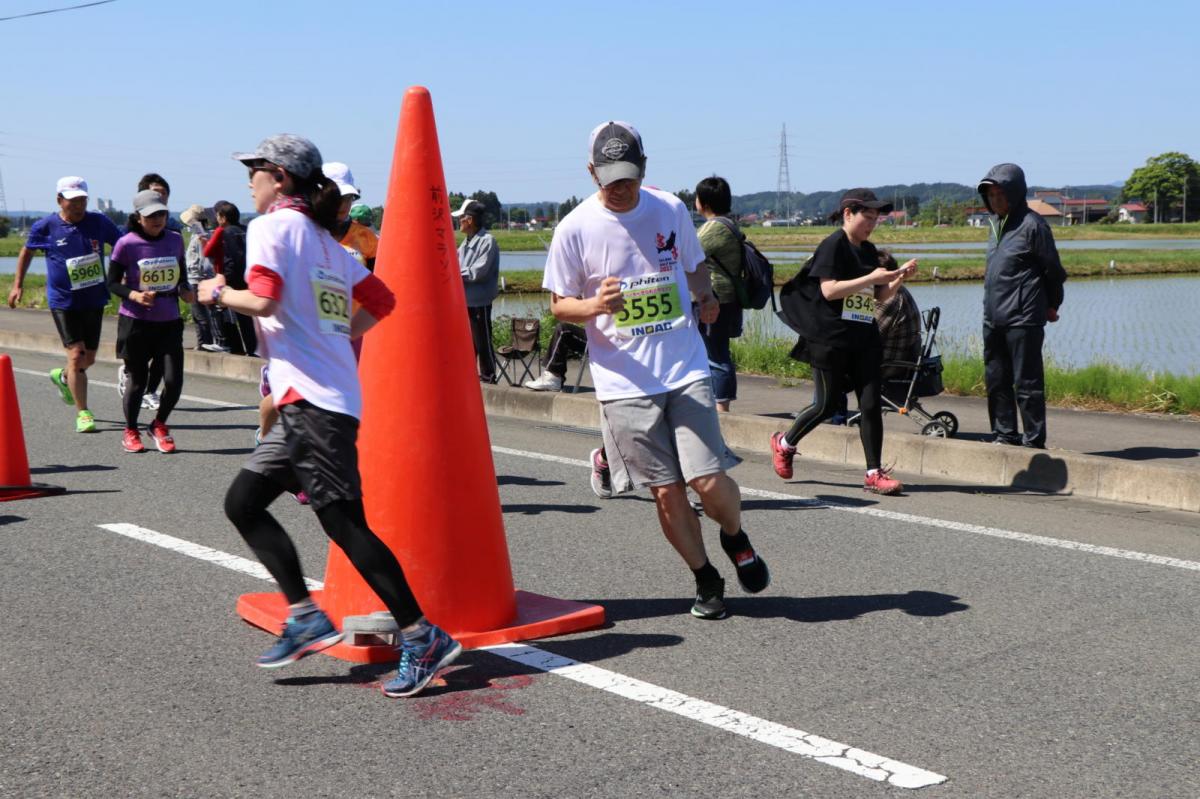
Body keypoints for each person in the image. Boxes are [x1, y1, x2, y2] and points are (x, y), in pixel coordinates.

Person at [199, 134, 460, 697]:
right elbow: (384, 300)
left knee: (344, 524)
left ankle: (422, 635)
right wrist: (338, 338)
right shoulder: (327, 243)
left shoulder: (273, 227)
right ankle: (305, 615)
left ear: (281, 177)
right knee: (243, 502)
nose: (248, 181)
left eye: (255, 170)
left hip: (315, 406)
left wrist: (217, 293)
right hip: (312, 401)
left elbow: (263, 300)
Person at [542, 120, 770, 621]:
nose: (620, 187)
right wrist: (594, 305)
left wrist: (706, 298)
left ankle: (736, 538)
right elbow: (559, 306)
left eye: (628, 176)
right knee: (666, 490)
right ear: (591, 172)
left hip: (683, 366)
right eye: (609, 178)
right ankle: (705, 577)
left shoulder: (669, 209)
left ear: (644, 169)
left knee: (707, 480)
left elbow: (693, 266)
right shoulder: (574, 228)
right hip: (624, 381)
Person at [771, 189, 917, 496]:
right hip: (830, 337)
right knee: (826, 405)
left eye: (876, 218)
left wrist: (898, 279)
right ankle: (784, 443)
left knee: (870, 404)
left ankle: (873, 473)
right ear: (848, 214)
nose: (872, 224)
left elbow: (877, 297)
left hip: (864, 336)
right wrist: (870, 277)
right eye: (868, 217)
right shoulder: (832, 246)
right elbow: (830, 291)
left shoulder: (868, 250)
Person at [7, 176, 120, 433]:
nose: (78, 206)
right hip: (63, 301)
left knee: (88, 358)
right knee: (76, 354)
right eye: (72, 201)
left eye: (82, 200)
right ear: (60, 200)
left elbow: (122, 245)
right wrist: (17, 285)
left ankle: (64, 376)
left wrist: (123, 272)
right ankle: (83, 412)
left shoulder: (99, 222)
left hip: (94, 298)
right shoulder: (45, 226)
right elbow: (27, 252)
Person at [977, 163, 1066, 449]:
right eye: (989, 195)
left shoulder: (1033, 225)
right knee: (996, 379)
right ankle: (1004, 435)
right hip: (993, 316)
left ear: (1014, 193)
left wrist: (1052, 305)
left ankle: (1033, 440)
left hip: (1024, 317)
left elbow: (1053, 271)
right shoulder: (995, 226)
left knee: (1027, 383)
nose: (994, 200)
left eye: (999, 194)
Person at [107, 190, 192, 453]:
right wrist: (133, 294)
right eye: (151, 215)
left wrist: (187, 291)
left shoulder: (176, 240)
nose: (158, 219)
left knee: (174, 381)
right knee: (138, 380)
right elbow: (111, 282)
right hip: (136, 322)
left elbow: (182, 278)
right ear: (138, 217)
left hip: (169, 320)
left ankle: (159, 424)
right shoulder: (127, 244)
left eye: (162, 214)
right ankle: (131, 429)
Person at [693, 176, 744, 412]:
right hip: (726, 297)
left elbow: (689, 254)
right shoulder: (729, 223)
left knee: (716, 353)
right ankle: (718, 402)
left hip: (715, 299)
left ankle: (721, 408)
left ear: (704, 202)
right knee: (715, 351)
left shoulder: (714, 228)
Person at [453, 199, 499, 384]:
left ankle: (488, 377)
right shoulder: (465, 242)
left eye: (461, 218)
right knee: (467, 344)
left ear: (469, 220)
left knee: (482, 341)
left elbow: (478, 272)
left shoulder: (487, 241)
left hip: (479, 301)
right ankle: (468, 378)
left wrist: (454, 273)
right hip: (465, 300)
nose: (458, 222)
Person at [203, 201, 256, 356]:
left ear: (223, 217)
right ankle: (253, 350)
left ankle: (235, 347)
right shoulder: (246, 229)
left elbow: (211, 252)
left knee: (224, 312)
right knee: (247, 316)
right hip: (249, 277)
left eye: (218, 216)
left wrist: (227, 278)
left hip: (232, 278)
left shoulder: (225, 232)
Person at [180, 204, 230, 353]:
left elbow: (204, 259)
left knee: (200, 315)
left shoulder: (201, 237)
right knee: (202, 314)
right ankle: (203, 342)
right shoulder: (205, 234)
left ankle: (204, 343)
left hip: (196, 278)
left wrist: (202, 277)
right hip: (198, 277)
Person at [323, 163, 379, 271]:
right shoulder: (308, 232)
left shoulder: (367, 237)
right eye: (336, 198)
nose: (343, 205)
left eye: (347, 198)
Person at [523, 322, 587, 392]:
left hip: (598, 341)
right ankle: (554, 377)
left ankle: (554, 378)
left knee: (563, 329)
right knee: (563, 332)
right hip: (594, 336)